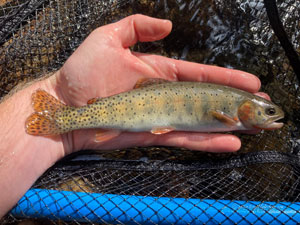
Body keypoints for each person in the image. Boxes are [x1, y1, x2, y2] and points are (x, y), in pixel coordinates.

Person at [0, 14, 268, 218]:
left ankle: (62, 118)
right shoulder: (233, 115)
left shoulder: (236, 110)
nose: (269, 116)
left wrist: (53, 91)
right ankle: (64, 118)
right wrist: (57, 91)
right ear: (249, 109)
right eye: (267, 112)